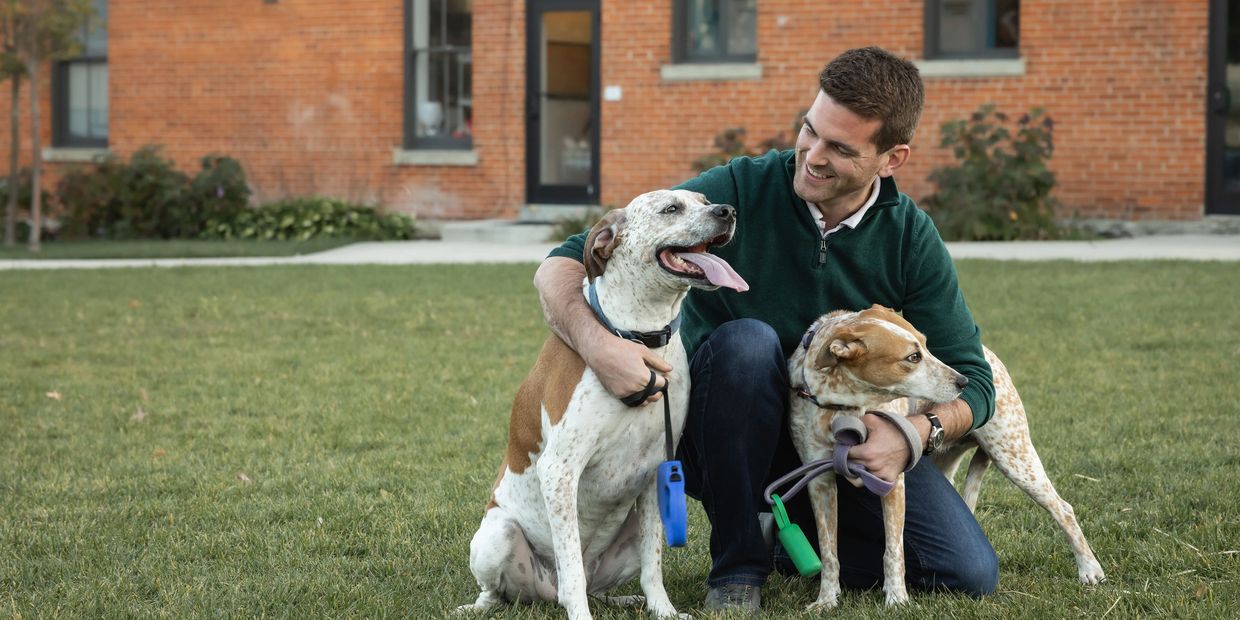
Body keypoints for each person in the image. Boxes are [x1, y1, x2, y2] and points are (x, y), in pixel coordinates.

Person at [534, 46, 998, 613]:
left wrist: (913, 435)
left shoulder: (909, 238)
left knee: (966, 571)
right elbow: (561, 262)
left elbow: (974, 380)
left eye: (840, 148)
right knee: (748, 344)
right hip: (721, 430)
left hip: (840, 444)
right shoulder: (740, 188)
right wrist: (599, 346)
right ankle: (738, 564)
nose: (813, 156)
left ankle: (788, 531)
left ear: (892, 158)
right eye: (811, 131)